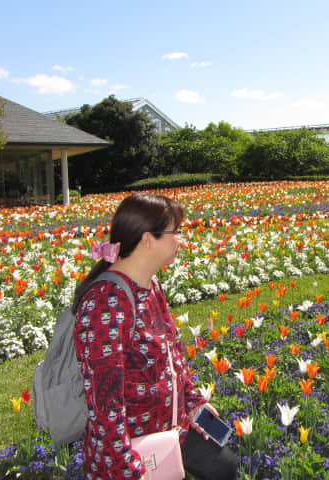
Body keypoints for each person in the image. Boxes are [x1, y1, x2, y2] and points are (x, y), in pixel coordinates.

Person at [73, 192, 238, 480]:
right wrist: (127, 470)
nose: (181, 239)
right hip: (133, 447)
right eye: (175, 232)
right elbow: (104, 407)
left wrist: (192, 402)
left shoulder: (150, 286)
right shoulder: (107, 303)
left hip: (170, 428)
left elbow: (172, 354)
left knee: (225, 465)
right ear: (147, 240)